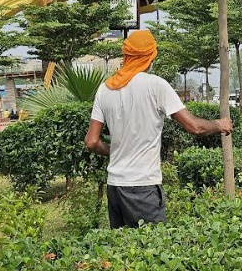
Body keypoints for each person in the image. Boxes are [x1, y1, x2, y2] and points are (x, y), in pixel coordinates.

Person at [85, 30, 233, 229]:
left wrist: (114, 150)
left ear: (126, 56)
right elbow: (194, 126)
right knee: (150, 245)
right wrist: (220, 124)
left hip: (115, 187)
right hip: (143, 187)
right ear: (149, 58)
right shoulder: (156, 86)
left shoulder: (106, 89)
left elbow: (91, 141)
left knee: (122, 246)